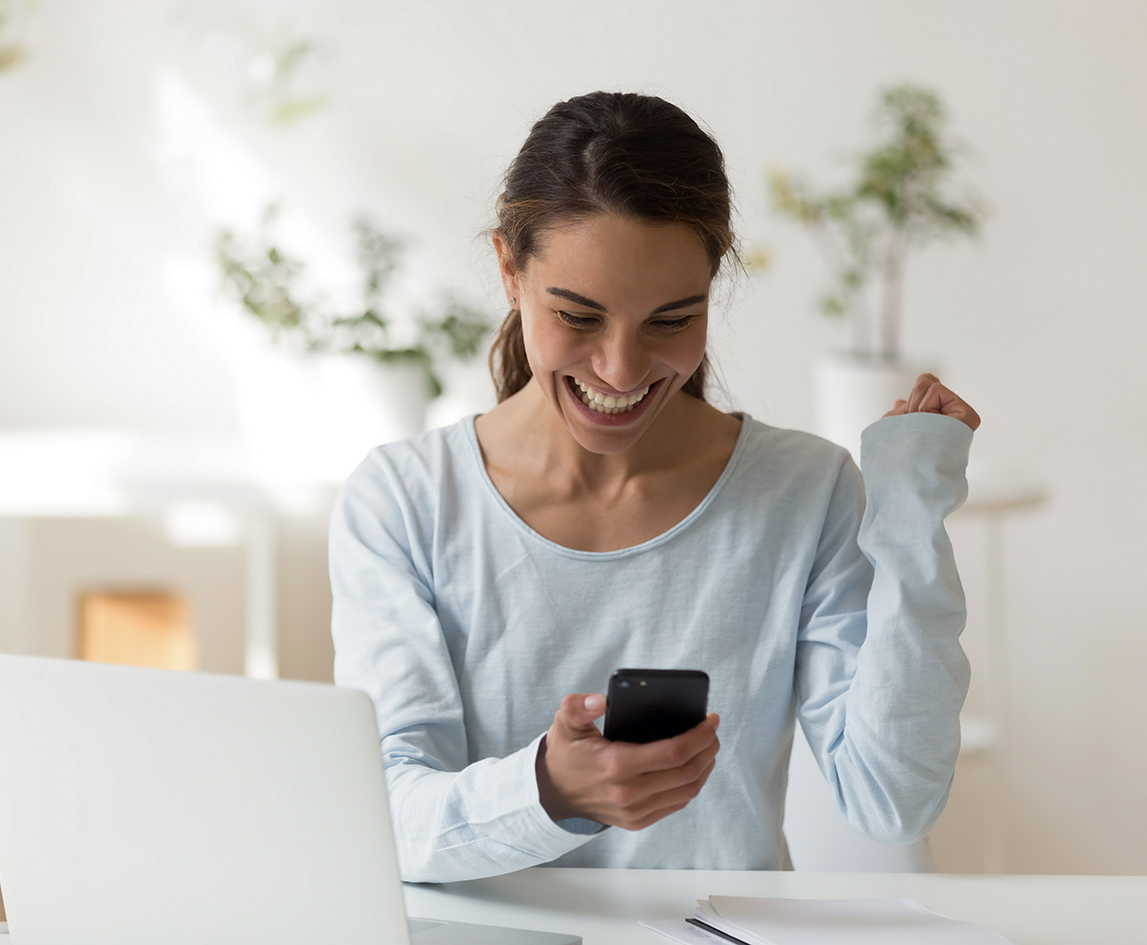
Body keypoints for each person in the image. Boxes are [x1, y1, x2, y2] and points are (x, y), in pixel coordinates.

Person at [330, 91, 981, 885]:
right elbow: (385, 820)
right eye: (577, 316)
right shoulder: (404, 500)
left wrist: (911, 515)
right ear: (509, 269)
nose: (620, 369)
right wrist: (547, 788)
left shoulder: (802, 493)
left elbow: (892, 798)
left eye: (670, 320)